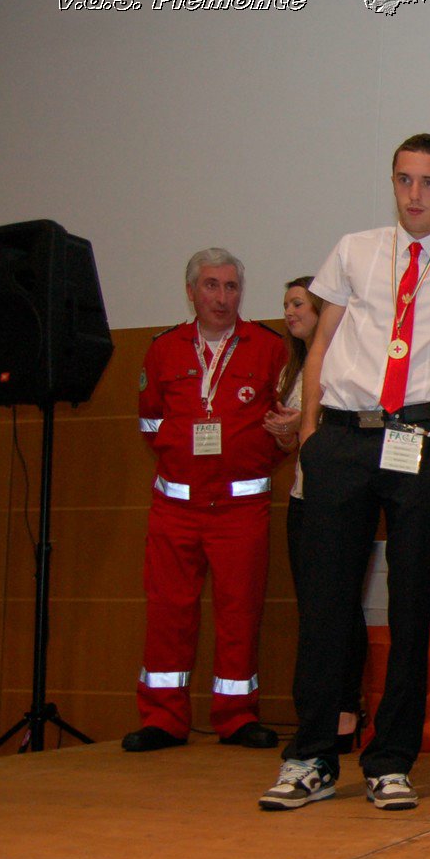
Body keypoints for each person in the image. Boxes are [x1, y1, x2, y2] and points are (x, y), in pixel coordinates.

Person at [259, 133, 430, 811]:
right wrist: (309, 433)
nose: (415, 194)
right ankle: (309, 756)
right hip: (342, 435)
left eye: (429, 183)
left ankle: (391, 760)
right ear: (393, 184)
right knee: (327, 604)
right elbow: (322, 342)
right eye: (404, 180)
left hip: (417, 435)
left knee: (410, 602)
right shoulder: (355, 249)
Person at [124, 248, 288, 753]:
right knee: (168, 613)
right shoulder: (164, 349)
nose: (222, 296)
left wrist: (251, 455)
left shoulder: (268, 347)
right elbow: (150, 422)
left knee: (240, 613)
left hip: (240, 510)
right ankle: (163, 718)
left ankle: (236, 716)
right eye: (212, 286)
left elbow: (285, 422)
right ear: (191, 290)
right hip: (176, 509)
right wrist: (184, 463)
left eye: (231, 286)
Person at [265, 277, 369, 753]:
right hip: (303, 498)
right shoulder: (292, 370)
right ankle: (318, 714)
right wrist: (286, 432)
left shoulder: (341, 360)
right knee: (313, 608)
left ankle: (346, 710)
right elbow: (294, 445)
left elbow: (353, 423)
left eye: (298, 303)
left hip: (340, 498)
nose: (289, 312)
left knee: (341, 606)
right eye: (285, 304)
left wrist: (312, 424)